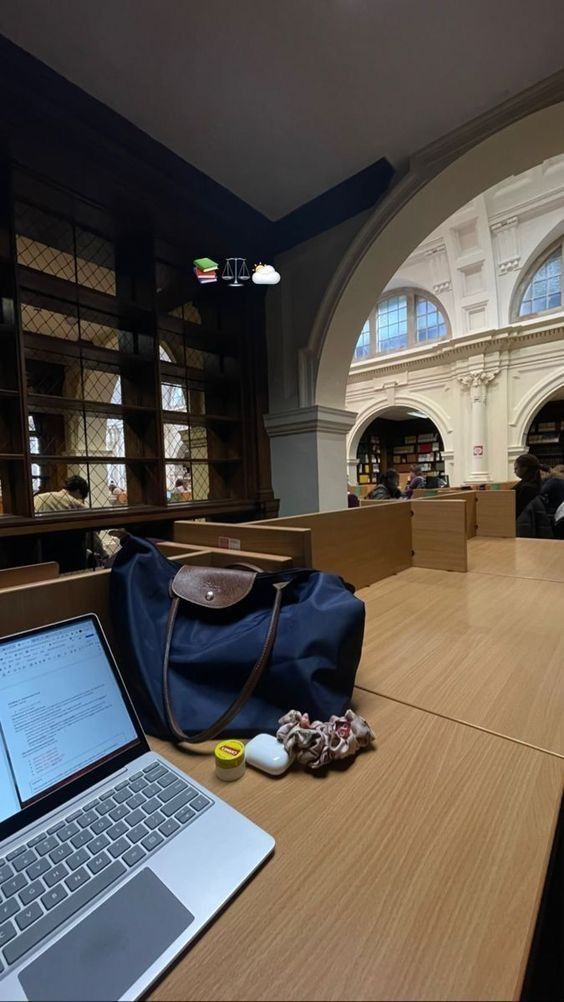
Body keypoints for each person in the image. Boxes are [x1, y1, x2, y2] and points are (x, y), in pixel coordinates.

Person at [512, 454, 542, 519]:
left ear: (525, 468)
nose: (514, 471)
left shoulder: (528, 488)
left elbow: (518, 510)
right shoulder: (533, 482)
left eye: (516, 468)